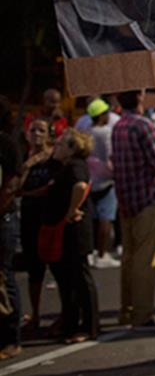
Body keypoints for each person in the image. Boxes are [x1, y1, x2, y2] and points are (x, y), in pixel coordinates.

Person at [111, 90, 155, 329]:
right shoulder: (143, 126)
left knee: (129, 258)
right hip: (148, 199)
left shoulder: (118, 126)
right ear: (140, 97)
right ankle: (142, 314)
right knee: (146, 260)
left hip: (126, 201)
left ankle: (127, 310)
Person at [40, 129, 99, 343]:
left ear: (74, 149)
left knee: (80, 278)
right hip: (60, 230)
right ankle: (69, 322)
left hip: (74, 231)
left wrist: (71, 210)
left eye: (63, 143)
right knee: (66, 279)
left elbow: (80, 186)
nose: (58, 145)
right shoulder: (59, 166)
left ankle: (89, 326)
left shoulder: (76, 166)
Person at [14, 118, 56, 334]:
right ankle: (36, 313)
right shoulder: (25, 158)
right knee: (35, 270)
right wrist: (27, 166)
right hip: (29, 217)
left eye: (41, 130)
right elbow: (15, 186)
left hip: (49, 217)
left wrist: (27, 193)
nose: (37, 134)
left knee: (58, 268)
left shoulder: (53, 158)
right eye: (33, 130)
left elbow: (51, 188)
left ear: (49, 135)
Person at [0, 97, 23, 358]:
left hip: (4, 219)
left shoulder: (6, 144)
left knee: (5, 277)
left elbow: (10, 186)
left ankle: (11, 338)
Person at [85, 98, 121, 269]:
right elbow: (110, 155)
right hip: (106, 179)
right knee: (106, 218)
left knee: (92, 218)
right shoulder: (106, 132)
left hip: (91, 178)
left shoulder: (87, 131)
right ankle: (102, 253)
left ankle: (91, 252)